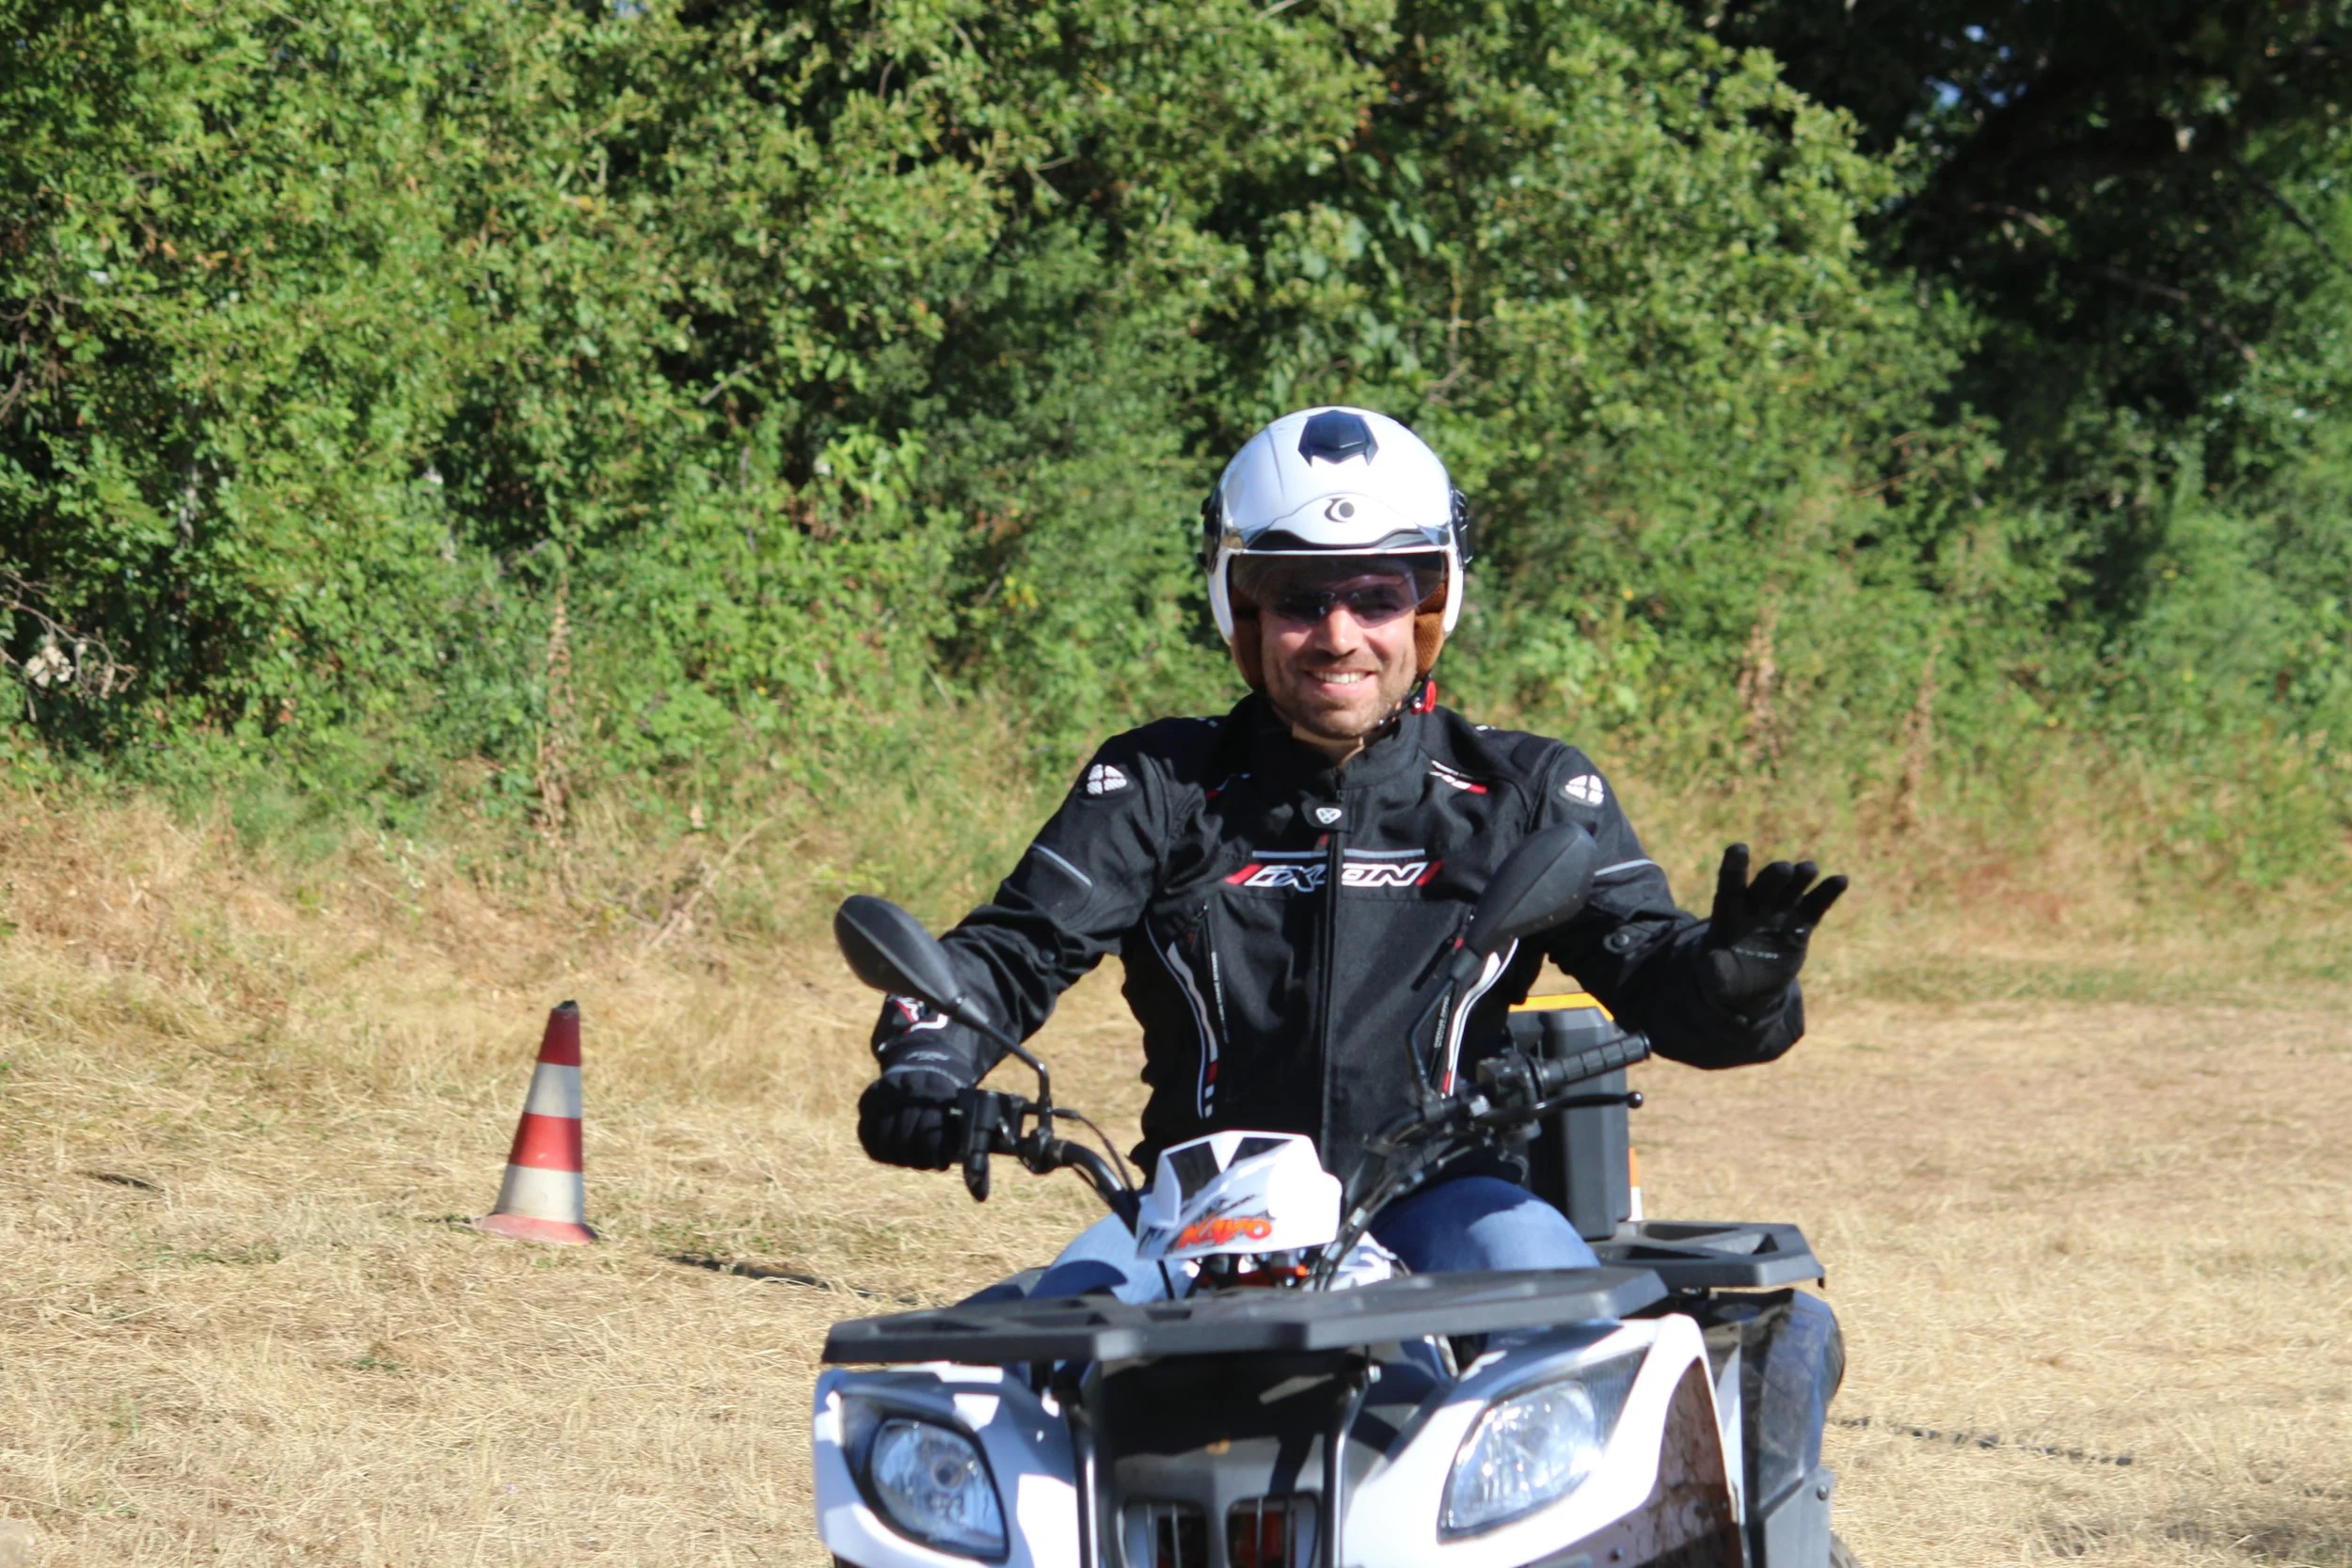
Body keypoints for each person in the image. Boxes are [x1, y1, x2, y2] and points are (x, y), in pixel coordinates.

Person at [856, 406, 1847, 1299]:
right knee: (1030, 1373)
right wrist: (928, 1063)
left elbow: (1656, 975)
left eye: (1374, 597)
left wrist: (1735, 985)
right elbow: (1011, 950)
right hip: (1200, 1204)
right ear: (1241, 612)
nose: (1337, 635)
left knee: (1571, 1339)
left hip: (1450, 1202)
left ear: (1426, 609)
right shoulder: (1158, 782)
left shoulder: (1527, 791)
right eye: (1297, 599)